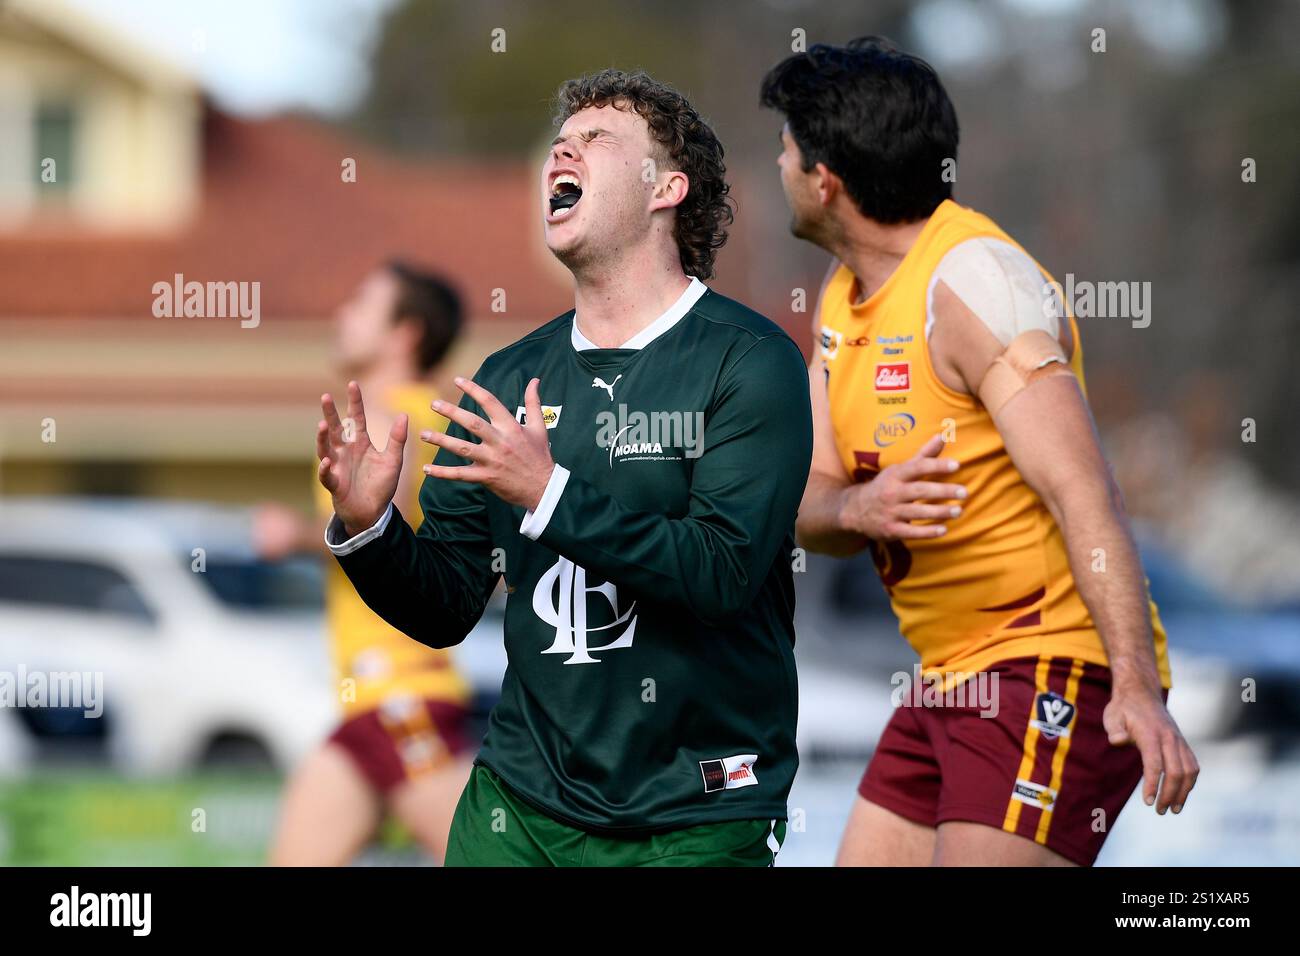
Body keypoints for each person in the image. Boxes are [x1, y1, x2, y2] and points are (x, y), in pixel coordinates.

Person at [316, 70, 812, 867]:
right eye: (559, 144)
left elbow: (721, 572)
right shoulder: (506, 378)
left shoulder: (750, 361)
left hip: (695, 810)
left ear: (667, 188)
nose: (561, 155)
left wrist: (548, 494)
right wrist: (369, 526)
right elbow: (446, 603)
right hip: (522, 804)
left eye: (596, 141)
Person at [761, 37, 1199, 866]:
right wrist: (857, 506)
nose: (776, 163)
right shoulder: (841, 297)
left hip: (1050, 670)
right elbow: (808, 500)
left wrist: (1138, 688)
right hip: (944, 678)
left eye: (785, 147)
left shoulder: (973, 284)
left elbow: (1084, 490)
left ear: (826, 179)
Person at [260, 261, 474, 865]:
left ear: (404, 332)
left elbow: (385, 525)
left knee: (481, 861)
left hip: (400, 692)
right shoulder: (402, 412)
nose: (341, 315)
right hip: (365, 706)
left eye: (361, 304)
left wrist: (293, 536)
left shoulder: (392, 416)